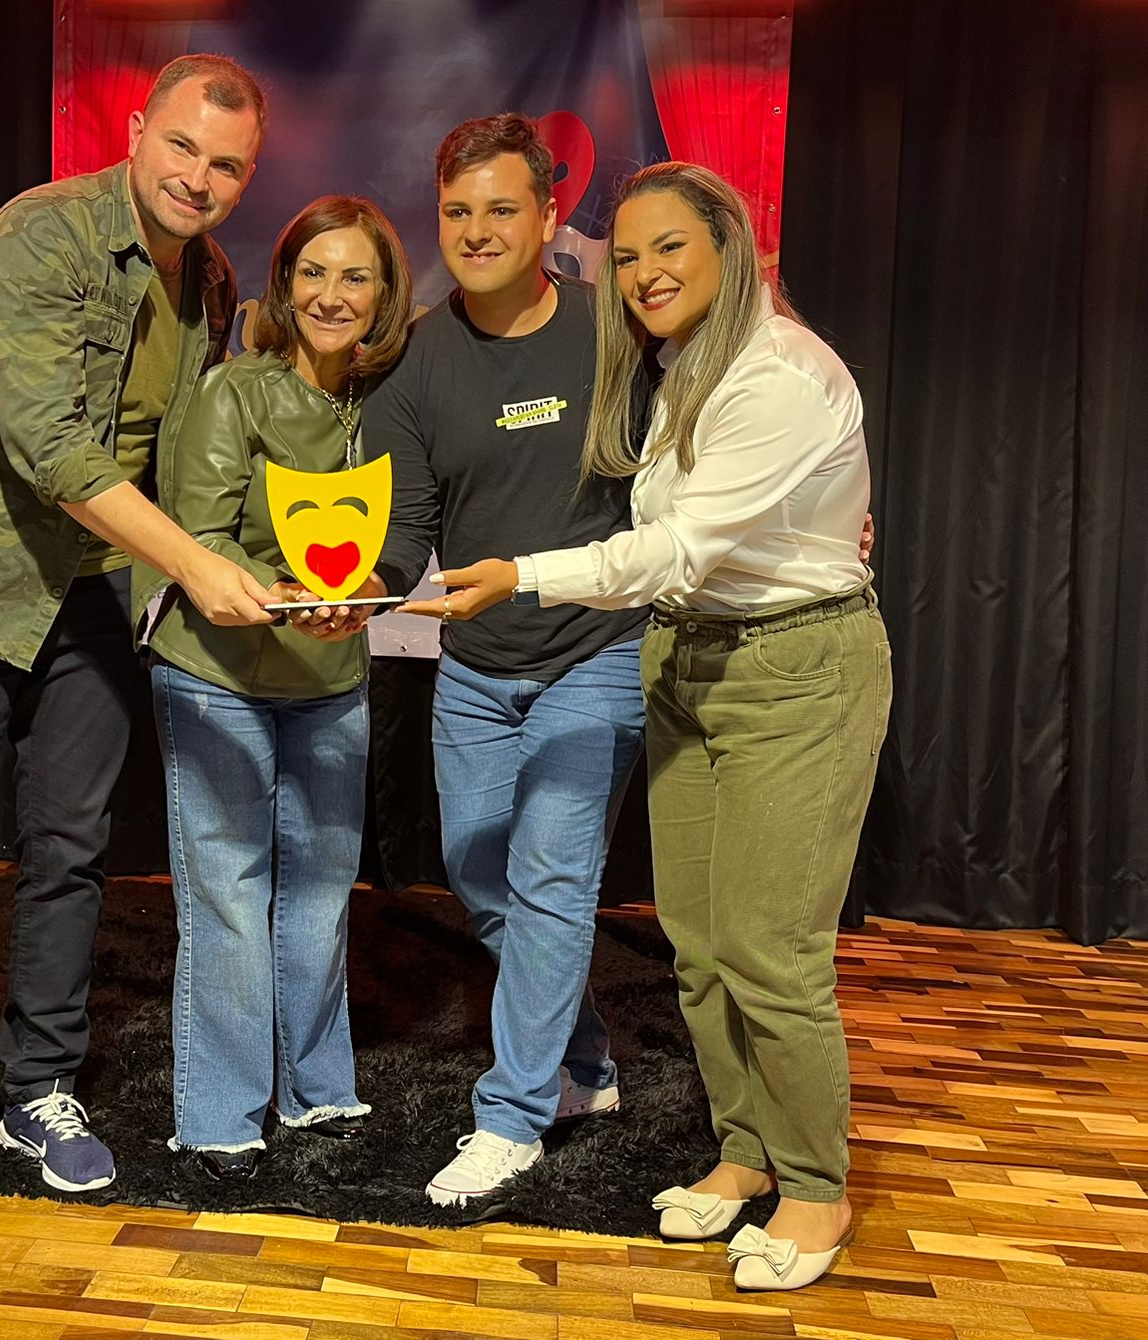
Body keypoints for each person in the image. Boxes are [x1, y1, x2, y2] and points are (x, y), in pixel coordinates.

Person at [413, 161, 890, 1291]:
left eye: (669, 247)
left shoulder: (777, 373)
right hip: (688, 657)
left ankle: (815, 1189)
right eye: (625, 256)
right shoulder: (678, 367)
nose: (643, 274)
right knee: (700, 941)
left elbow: (674, 548)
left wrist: (522, 574)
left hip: (795, 669)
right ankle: (745, 1152)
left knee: (771, 948)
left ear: (729, 245)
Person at [0, 55, 275, 1242]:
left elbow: (180, 453)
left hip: (89, 592)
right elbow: (51, 446)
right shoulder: (38, 233)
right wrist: (193, 566)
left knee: (72, 853)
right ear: (134, 129)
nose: (198, 178)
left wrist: (249, 555)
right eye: (181, 146)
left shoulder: (210, 281)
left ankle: (36, 1089)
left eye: (227, 164)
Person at [321, 114, 651, 1207]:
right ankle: (585, 1059)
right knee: (481, 879)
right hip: (474, 666)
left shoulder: (617, 333)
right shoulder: (414, 359)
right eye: (457, 211)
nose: (476, 230)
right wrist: (352, 591)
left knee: (550, 879)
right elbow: (405, 532)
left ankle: (512, 1115)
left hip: (596, 650)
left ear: (549, 217)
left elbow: (701, 461)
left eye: (501, 208)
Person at [138, 195, 413, 1180]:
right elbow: (199, 537)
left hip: (332, 679)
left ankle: (317, 1087)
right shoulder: (234, 393)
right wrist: (290, 596)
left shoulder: (386, 403)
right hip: (219, 678)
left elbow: (405, 531)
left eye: (355, 276)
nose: (333, 295)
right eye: (313, 272)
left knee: (321, 896)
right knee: (229, 894)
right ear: (284, 285)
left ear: (384, 293)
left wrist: (364, 597)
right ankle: (220, 1115)